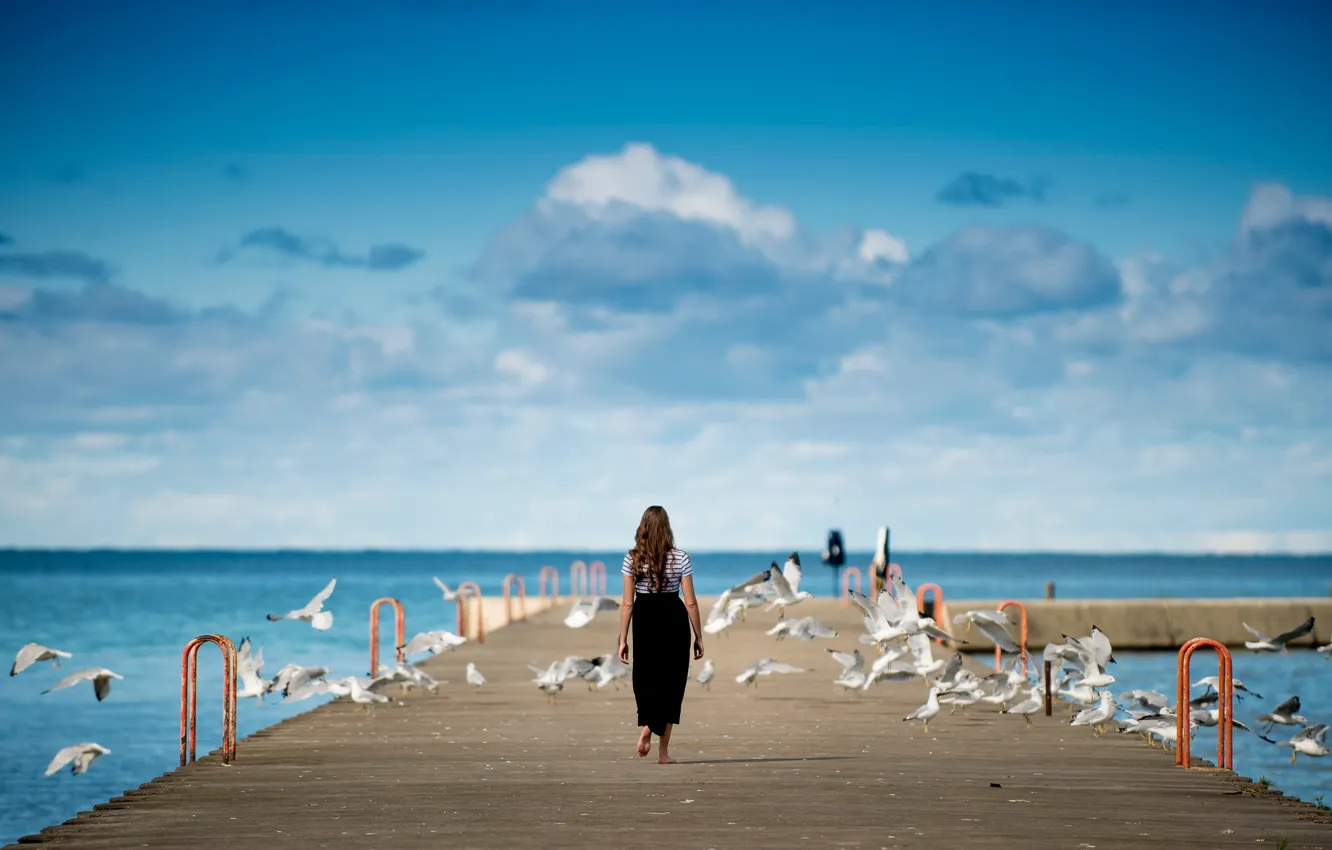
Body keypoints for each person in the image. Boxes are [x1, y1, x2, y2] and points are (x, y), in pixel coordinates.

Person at [617, 505, 704, 764]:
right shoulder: (681, 557)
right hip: (673, 618)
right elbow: (690, 602)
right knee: (672, 684)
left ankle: (647, 726)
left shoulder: (632, 558)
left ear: (642, 528)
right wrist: (698, 636)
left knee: (646, 680)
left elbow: (627, 603)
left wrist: (622, 639)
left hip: (644, 619)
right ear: (667, 529)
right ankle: (663, 752)